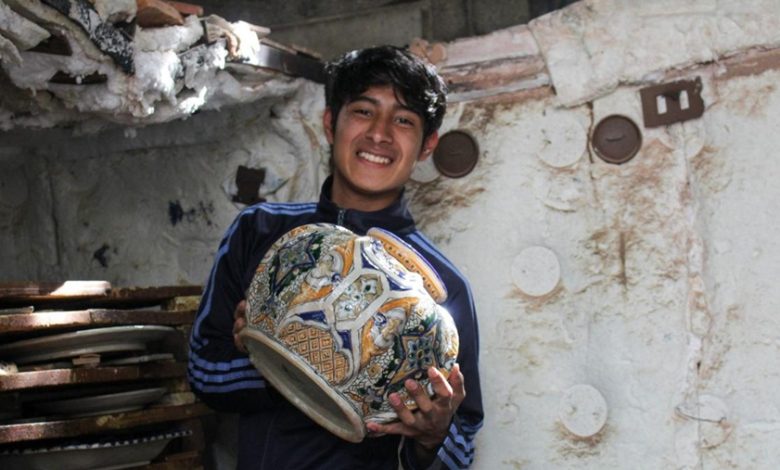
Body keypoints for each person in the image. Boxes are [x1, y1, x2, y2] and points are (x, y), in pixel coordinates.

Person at [188, 45, 483, 469]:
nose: (379, 134)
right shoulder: (260, 231)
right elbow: (203, 371)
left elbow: (462, 445)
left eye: (403, 120)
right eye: (363, 111)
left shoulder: (443, 288)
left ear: (427, 145)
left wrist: (433, 435)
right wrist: (273, 357)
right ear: (330, 123)